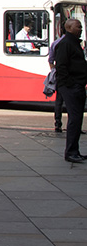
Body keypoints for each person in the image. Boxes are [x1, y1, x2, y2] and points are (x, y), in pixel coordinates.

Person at [53, 19, 87, 163]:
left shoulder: (73, 42)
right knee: (74, 119)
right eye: (78, 26)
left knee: (77, 118)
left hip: (77, 85)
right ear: (69, 28)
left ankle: (75, 151)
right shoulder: (66, 44)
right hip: (71, 87)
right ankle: (71, 152)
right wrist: (72, 84)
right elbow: (61, 66)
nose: (80, 28)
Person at [50, 31, 66, 133]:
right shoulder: (72, 43)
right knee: (72, 103)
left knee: (59, 101)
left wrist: (53, 72)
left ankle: (58, 124)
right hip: (69, 77)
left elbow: (51, 60)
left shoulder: (55, 43)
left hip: (60, 75)